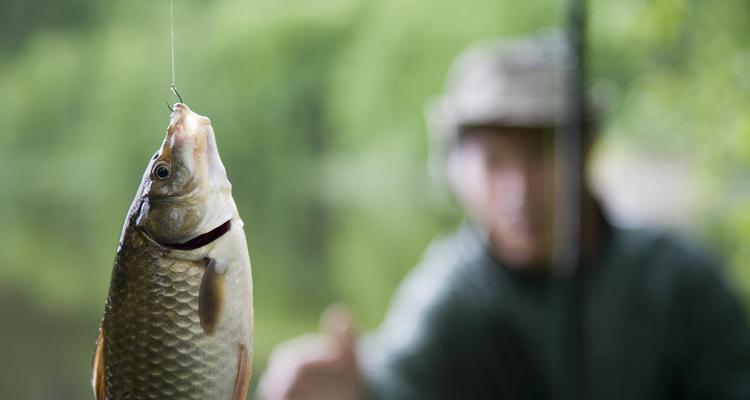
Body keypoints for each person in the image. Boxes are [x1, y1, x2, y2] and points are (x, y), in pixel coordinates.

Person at [257, 32, 750, 400]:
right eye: (494, 162)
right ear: (456, 172)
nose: (518, 190)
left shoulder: (680, 277)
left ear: (587, 152)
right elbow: (397, 370)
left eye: (539, 155)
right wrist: (351, 387)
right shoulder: (452, 290)